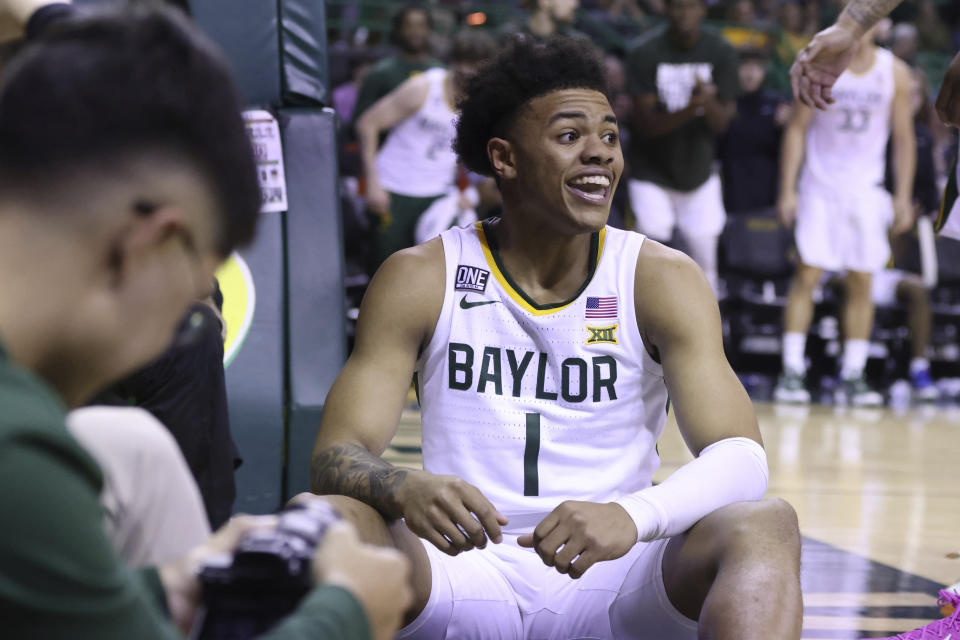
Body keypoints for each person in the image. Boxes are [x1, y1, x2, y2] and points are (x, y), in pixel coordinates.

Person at [311, 36, 802, 639]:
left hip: (615, 574)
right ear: (505, 158)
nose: (600, 155)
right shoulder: (420, 276)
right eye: (571, 137)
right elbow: (335, 455)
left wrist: (635, 515)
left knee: (766, 523)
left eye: (610, 136)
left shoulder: (659, 277)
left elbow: (743, 457)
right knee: (324, 520)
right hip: (460, 571)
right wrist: (402, 485)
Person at [0, 2, 411, 639]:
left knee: (127, 444)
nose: (186, 325)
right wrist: (348, 610)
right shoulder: (18, 447)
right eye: (193, 300)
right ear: (148, 246)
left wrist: (160, 588)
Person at [773, 21, 915, 406]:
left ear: (882, 24)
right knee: (807, 275)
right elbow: (797, 129)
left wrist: (902, 195)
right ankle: (791, 370)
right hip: (819, 186)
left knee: (862, 281)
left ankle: (853, 374)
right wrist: (788, 189)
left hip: (865, 191)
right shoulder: (821, 63)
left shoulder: (895, 72)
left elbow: (903, 138)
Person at [356, 29, 496, 273]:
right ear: (453, 61)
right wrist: (372, 182)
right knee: (387, 271)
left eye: (475, 65)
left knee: (434, 272)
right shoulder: (424, 87)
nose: (468, 70)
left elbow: (459, 150)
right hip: (394, 189)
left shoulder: (480, 102)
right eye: (463, 62)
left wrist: (465, 190)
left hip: (437, 195)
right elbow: (367, 123)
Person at [625, 0, 738, 294]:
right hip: (651, 171)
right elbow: (645, 125)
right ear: (666, 9)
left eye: (691, 7)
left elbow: (722, 124)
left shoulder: (721, 51)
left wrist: (707, 103)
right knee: (651, 248)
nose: (684, 14)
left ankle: (710, 333)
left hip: (699, 171)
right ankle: (644, 328)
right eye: (677, 6)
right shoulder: (644, 52)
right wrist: (692, 107)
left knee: (705, 259)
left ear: (703, 10)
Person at [718, 48, 790, 214]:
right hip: (732, 188)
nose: (750, 73)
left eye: (756, 67)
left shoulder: (777, 104)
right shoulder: (725, 103)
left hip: (768, 189)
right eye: (745, 66)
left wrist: (786, 127)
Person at [351, 4, 440, 125]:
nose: (415, 32)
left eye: (421, 25)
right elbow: (360, 120)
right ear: (398, 30)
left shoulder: (440, 72)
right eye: (409, 26)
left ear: (428, 29)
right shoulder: (380, 72)